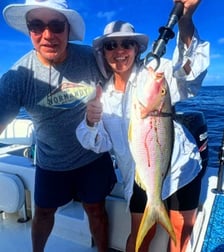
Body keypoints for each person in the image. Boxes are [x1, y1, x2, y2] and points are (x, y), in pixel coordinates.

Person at [76, 0, 209, 251]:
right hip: (140, 176)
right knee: (139, 238)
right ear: (103, 52)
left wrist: (185, 21)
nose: (119, 50)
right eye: (110, 45)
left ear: (137, 49)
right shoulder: (101, 97)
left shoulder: (155, 72)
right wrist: (91, 121)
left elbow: (189, 78)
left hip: (182, 167)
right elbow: (99, 143)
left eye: (127, 43)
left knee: (181, 235)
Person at [0, 1, 117, 252]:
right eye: (37, 26)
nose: (48, 35)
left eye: (56, 25)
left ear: (67, 29)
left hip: (92, 157)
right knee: (43, 213)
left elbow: (128, 71)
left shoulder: (91, 57)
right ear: (29, 31)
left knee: (96, 210)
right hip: (51, 163)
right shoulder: (19, 76)